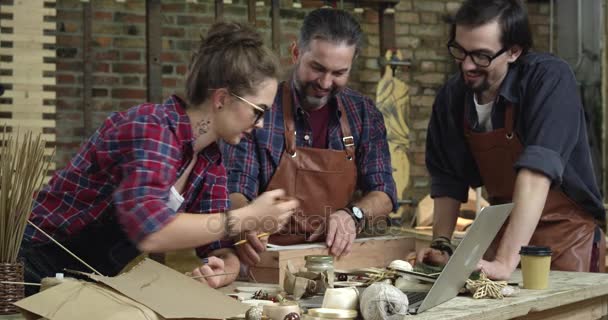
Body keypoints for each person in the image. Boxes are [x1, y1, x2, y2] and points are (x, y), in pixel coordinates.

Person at [19, 21, 299, 295]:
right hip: (29, 269)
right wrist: (247, 216)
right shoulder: (153, 128)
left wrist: (222, 269)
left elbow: (219, 246)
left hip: (85, 282)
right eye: (258, 111)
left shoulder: (209, 160)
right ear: (222, 99)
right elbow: (150, 230)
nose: (260, 124)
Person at [418, 0, 606, 280]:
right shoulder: (452, 97)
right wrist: (442, 244)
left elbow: (536, 173)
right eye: (460, 51)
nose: (467, 65)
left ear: (514, 51)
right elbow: (448, 180)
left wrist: (506, 262)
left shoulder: (548, 79)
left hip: (567, 239)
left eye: (481, 56)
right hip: (503, 233)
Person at [221, 8, 397, 267]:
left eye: (339, 73)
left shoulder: (363, 113)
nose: (325, 83)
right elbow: (236, 188)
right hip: (266, 260)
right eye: (317, 68)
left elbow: (384, 192)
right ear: (296, 53)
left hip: (335, 262)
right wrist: (244, 221)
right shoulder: (262, 111)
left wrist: (353, 215)